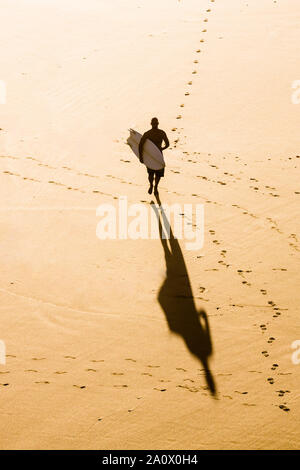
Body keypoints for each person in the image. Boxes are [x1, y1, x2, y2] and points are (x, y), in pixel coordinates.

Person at [139, 117, 169, 195]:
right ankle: (153, 186)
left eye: (155, 123)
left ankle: (154, 186)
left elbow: (140, 145)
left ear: (152, 124)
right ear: (156, 124)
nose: (155, 124)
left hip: (153, 156)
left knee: (153, 173)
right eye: (154, 123)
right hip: (157, 155)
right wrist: (161, 149)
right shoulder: (161, 132)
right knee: (154, 173)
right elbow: (168, 144)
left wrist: (141, 157)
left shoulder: (148, 133)